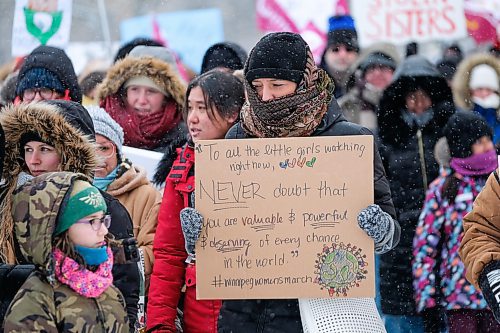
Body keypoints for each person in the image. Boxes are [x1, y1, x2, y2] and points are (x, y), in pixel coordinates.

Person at [212, 32, 399, 332]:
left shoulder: (347, 141)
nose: (266, 97)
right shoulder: (238, 138)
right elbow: (225, 221)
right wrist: (202, 227)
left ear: (304, 83)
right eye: (256, 86)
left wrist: (380, 228)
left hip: (325, 310)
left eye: (277, 85)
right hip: (248, 311)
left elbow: (390, 229)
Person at [0, 100, 140, 329]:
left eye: (45, 149)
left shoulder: (103, 209)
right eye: (28, 149)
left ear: (69, 153)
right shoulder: (6, 203)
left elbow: (125, 291)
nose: (33, 160)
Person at [147, 70, 244, 333]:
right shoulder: (182, 169)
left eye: (202, 108)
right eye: (190, 108)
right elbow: (168, 254)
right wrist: (159, 325)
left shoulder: (263, 160)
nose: (193, 118)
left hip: (254, 308)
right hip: (200, 311)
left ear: (232, 113)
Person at [377, 55, 455, 332]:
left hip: (442, 235)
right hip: (402, 237)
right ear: (401, 99)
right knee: (404, 313)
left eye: (424, 96)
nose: (419, 103)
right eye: (412, 96)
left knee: (445, 307)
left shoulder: (449, 133)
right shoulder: (386, 137)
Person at [3, 172, 129, 332]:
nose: (104, 230)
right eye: (92, 221)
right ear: (59, 229)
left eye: (103, 219)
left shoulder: (110, 292)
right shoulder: (36, 303)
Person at [413, 111, 500, 333]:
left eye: (489, 140)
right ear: (463, 147)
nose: (488, 146)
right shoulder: (444, 189)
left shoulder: (497, 182)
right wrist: (427, 300)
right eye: (479, 142)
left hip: (495, 290)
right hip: (458, 297)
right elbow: (425, 245)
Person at [87, 105, 161, 292]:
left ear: (118, 152)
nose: (97, 157)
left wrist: (112, 259)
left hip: (126, 295)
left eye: (104, 148)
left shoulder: (146, 195)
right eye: (88, 148)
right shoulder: (66, 193)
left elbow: (156, 251)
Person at [97, 46, 187, 152]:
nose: (142, 100)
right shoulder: (99, 131)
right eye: (135, 89)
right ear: (124, 93)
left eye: (151, 91)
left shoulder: (186, 139)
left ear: (167, 98)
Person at [339, 42, 399, 132]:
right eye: (371, 68)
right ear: (362, 74)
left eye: (384, 67)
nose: (377, 73)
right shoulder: (344, 108)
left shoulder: (407, 105)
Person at [452, 53, 500, 147]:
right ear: (470, 90)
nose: (484, 94)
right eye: (479, 89)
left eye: (488, 89)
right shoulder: (460, 117)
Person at [14, 45, 81, 104]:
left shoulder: (82, 117)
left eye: (45, 90)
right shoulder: (5, 117)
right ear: (21, 96)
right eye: (29, 91)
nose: (37, 99)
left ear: (62, 94)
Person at [320, 15, 360, 98]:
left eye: (349, 49)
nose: (342, 55)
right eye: (335, 49)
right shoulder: (311, 84)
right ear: (326, 53)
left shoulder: (368, 83)